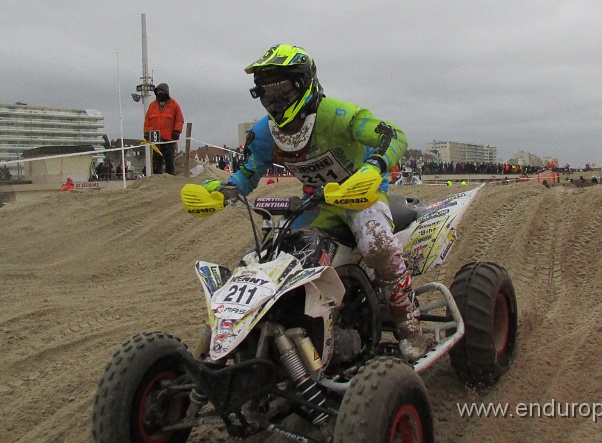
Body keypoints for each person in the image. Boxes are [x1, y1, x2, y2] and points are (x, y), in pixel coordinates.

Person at [196, 44, 425, 360]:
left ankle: (407, 319)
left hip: (362, 197)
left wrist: (374, 167)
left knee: (377, 246)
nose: (275, 101)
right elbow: (248, 174)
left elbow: (394, 136)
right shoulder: (265, 133)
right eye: (267, 93)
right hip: (316, 203)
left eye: (282, 91)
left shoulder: (339, 116)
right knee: (274, 258)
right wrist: (222, 191)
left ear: (304, 84)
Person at [143, 82, 185, 176]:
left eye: (161, 91)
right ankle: (157, 177)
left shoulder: (174, 105)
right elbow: (147, 120)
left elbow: (179, 119)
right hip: (155, 138)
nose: (160, 93)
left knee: (169, 158)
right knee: (156, 160)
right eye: (158, 91)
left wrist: (177, 131)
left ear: (166, 92)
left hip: (169, 138)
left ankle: (170, 176)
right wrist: (146, 132)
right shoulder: (152, 106)